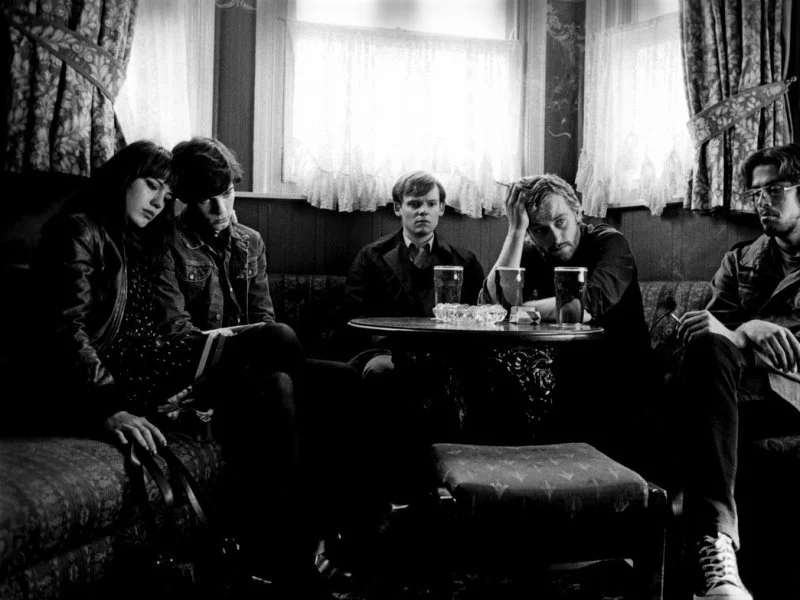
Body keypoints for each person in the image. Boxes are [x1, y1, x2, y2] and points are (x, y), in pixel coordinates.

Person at [30, 140, 328, 599]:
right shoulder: (79, 231)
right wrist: (110, 406)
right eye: (151, 186)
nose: (157, 202)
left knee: (293, 380)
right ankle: (303, 546)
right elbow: (65, 329)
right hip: (110, 383)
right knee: (280, 339)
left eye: (166, 195)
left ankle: (294, 557)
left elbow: (142, 329)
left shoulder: (135, 236)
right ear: (122, 178)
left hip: (149, 367)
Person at [159, 136, 361, 583]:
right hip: (203, 376)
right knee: (280, 349)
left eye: (228, 193)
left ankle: (324, 535)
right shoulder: (169, 244)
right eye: (207, 200)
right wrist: (248, 342)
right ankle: (307, 551)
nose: (220, 208)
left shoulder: (250, 241)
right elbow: (178, 336)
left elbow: (263, 317)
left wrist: (257, 343)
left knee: (344, 378)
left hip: (255, 370)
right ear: (187, 199)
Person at [673, 143, 800, 600]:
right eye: (756, 192)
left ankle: (702, 546)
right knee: (700, 364)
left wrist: (740, 336)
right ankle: (717, 550)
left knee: (681, 409)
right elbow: (709, 336)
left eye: (776, 190)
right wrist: (746, 331)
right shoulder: (741, 259)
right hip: (733, 394)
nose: (762, 201)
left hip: (791, 395)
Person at [480, 173, 652, 463]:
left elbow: (580, 307)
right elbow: (491, 304)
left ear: (577, 212)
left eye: (560, 222)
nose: (555, 238)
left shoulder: (609, 243)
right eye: (540, 230)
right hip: (559, 374)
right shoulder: (534, 251)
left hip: (620, 378)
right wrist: (516, 231)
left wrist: (521, 310)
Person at [338, 170, 485, 504]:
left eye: (431, 204)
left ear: (442, 209)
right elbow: (352, 317)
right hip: (387, 353)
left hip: (447, 355)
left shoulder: (463, 260)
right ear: (398, 208)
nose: (423, 212)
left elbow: (480, 316)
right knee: (382, 374)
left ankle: (461, 489)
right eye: (414, 204)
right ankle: (387, 492)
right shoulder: (372, 257)